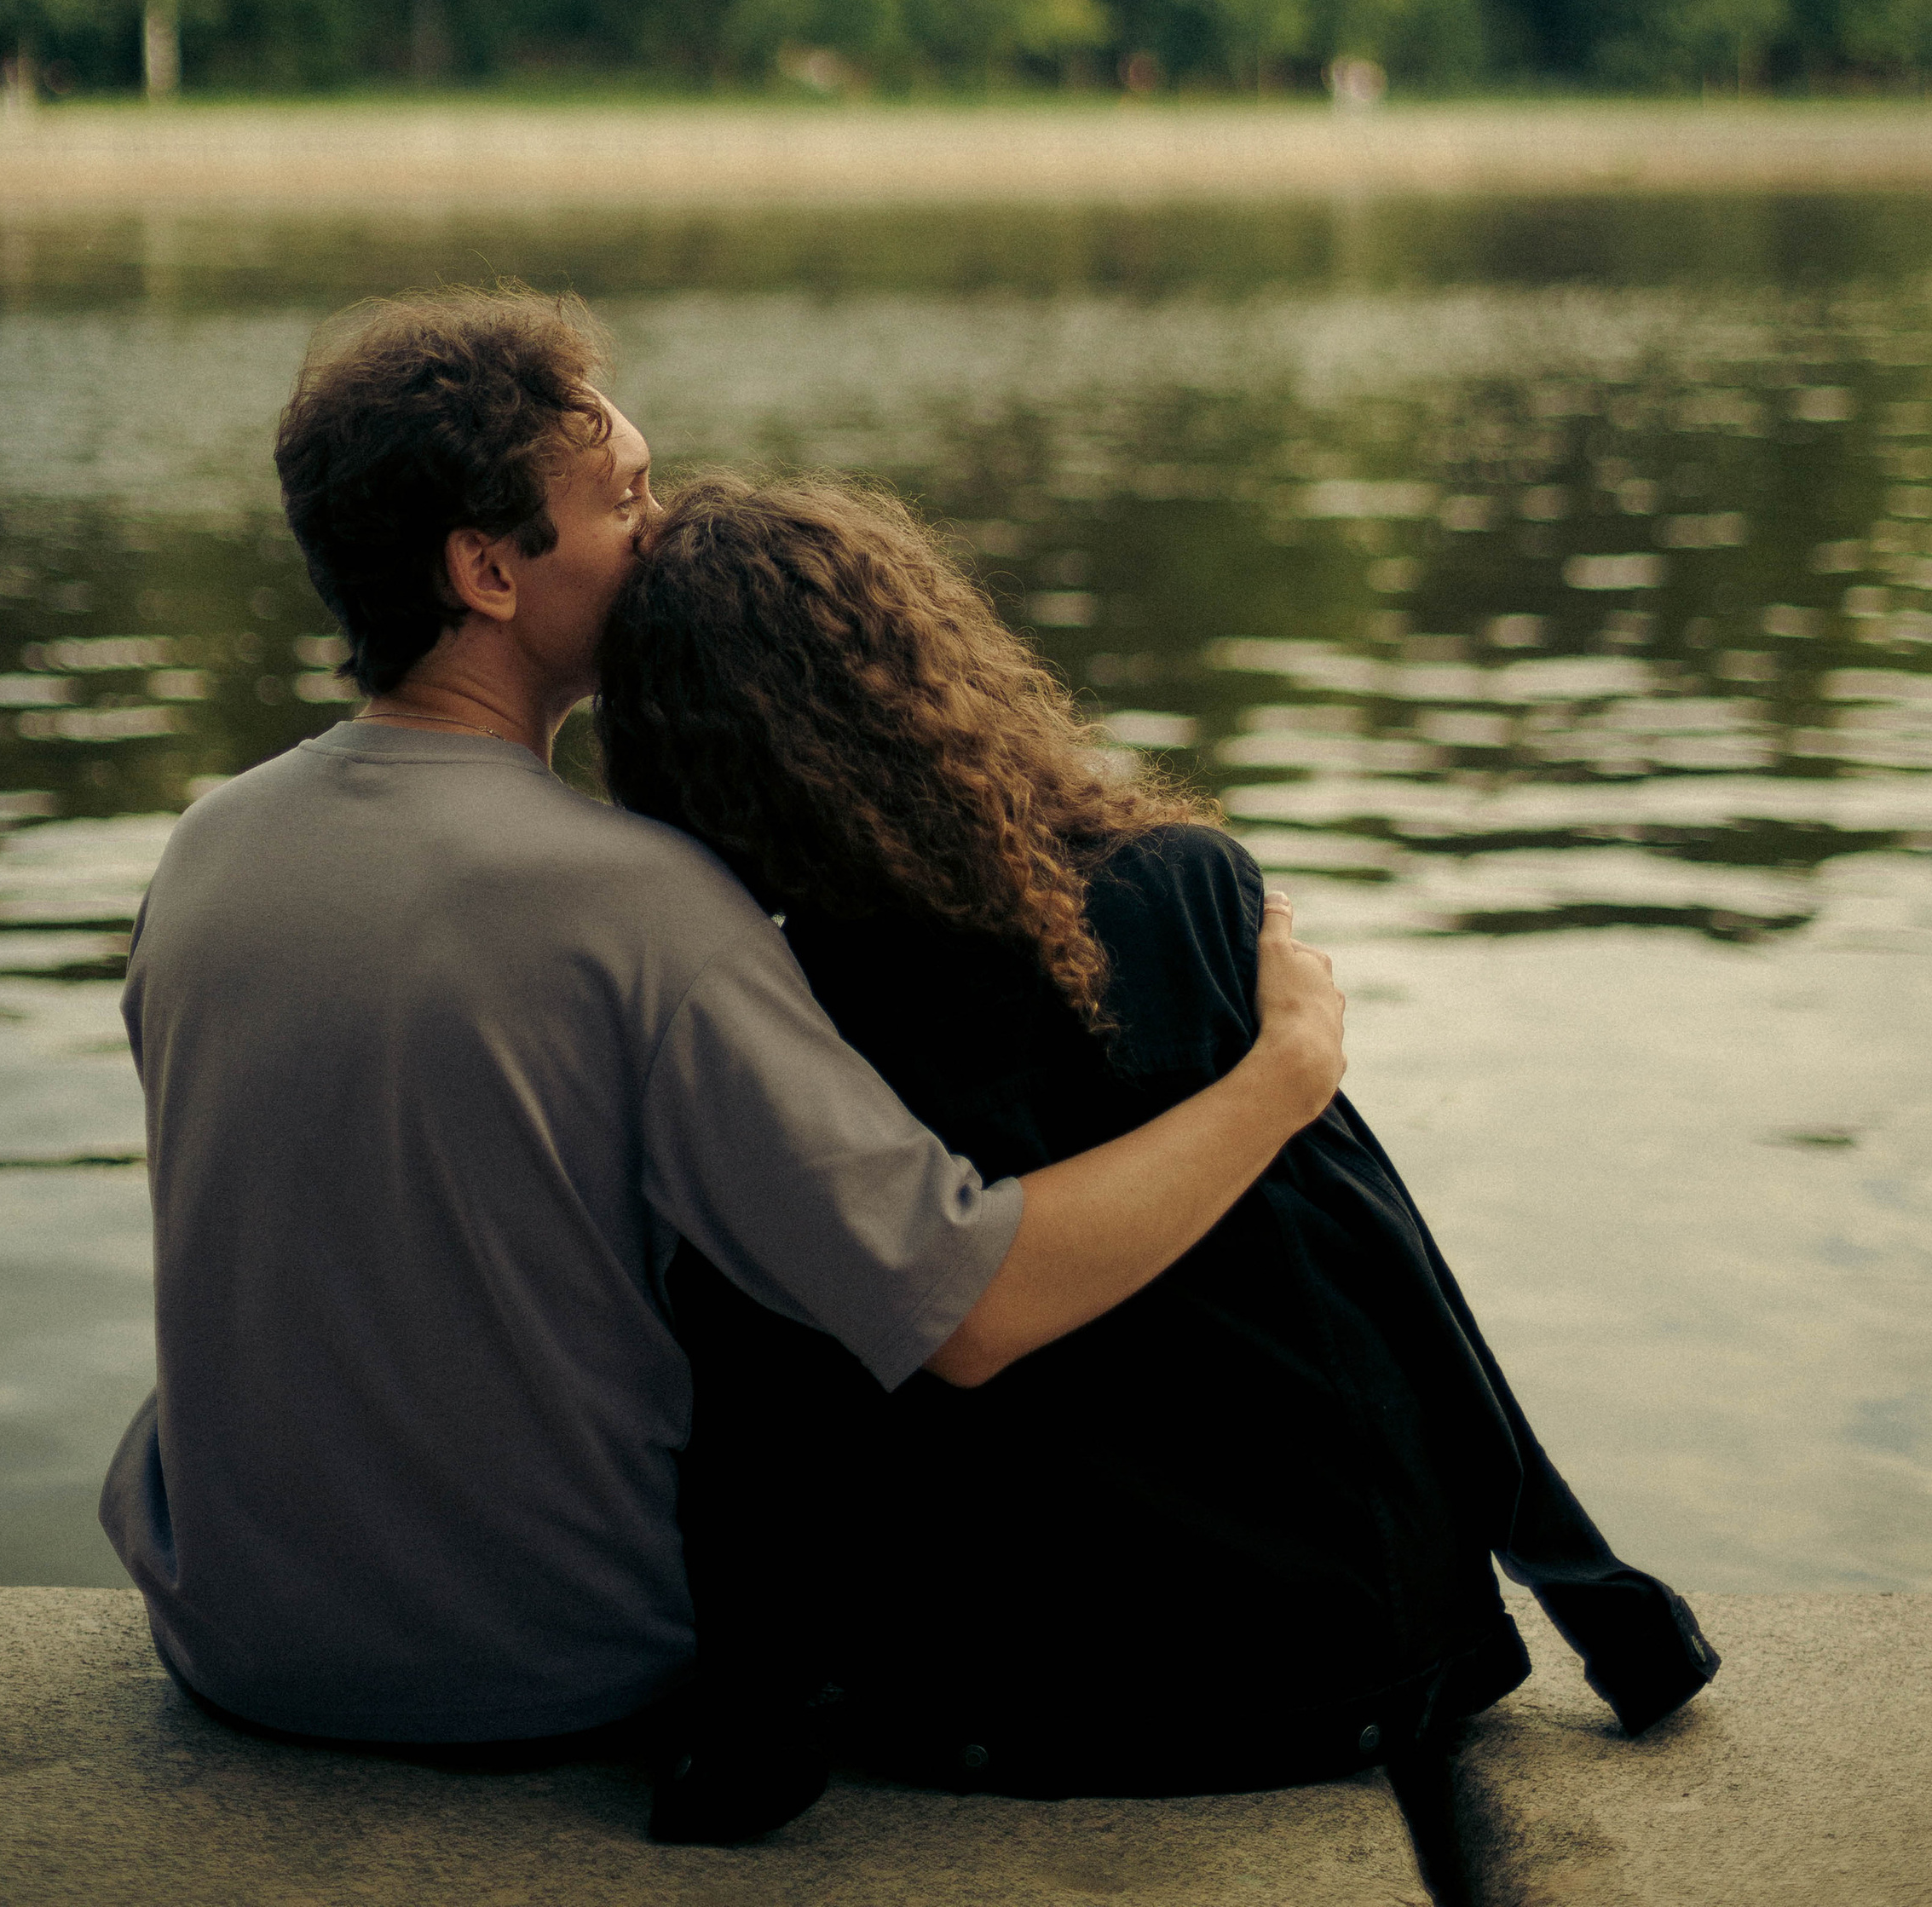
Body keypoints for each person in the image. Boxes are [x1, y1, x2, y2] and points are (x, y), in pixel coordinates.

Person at [99, 286, 1348, 1837]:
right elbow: (969, 1304)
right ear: (487, 571)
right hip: (545, 1675)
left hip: (235, 1643)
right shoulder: (641, 907)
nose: (664, 527)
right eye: (624, 501)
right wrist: (1281, 1075)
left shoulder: (207, 851)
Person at [593, 475, 1721, 1852]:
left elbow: (757, 1392)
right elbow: (1377, 1265)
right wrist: (1601, 1603)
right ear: (926, 661)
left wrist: (752, 1706)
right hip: (1343, 1664)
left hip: (977, 1698)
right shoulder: (1181, 887)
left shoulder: (771, 1000)